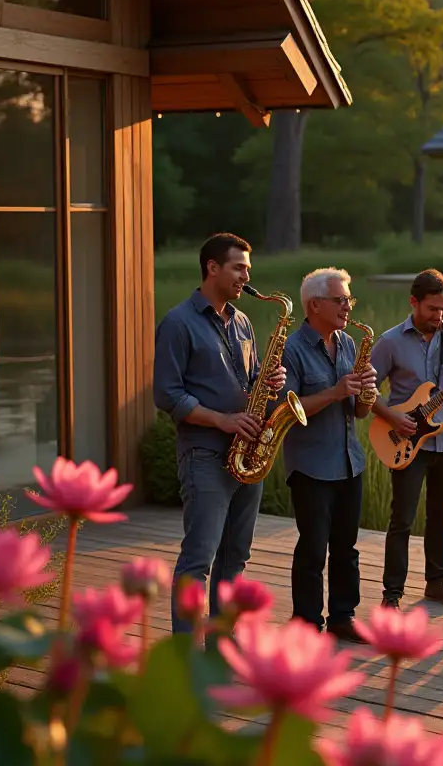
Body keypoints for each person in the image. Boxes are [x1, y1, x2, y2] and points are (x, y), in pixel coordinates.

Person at [153, 232, 286, 632]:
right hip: (206, 454)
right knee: (198, 560)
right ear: (212, 267)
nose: (246, 276)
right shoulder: (178, 323)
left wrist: (268, 379)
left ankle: (223, 651)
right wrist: (222, 419)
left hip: (247, 453)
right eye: (239, 268)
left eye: (248, 268)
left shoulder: (242, 320)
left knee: (236, 559)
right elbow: (167, 394)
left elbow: (247, 379)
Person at [370, 269, 443, 609]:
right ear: (414, 303)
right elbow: (365, 390)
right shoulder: (390, 341)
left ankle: (437, 581)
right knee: (401, 519)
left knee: (440, 517)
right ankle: (392, 595)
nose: (439, 316)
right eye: (432, 309)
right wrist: (392, 417)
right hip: (405, 441)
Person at [276, 267, 377, 641]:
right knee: (313, 549)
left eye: (349, 299)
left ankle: (342, 617)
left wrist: (365, 393)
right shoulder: (292, 349)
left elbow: (360, 411)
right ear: (314, 304)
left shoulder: (349, 344)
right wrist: (335, 392)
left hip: (350, 461)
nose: (348, 307)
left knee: (346, 548)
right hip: (312, 466)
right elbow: (287, 409)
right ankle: (305, 622)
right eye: (341, 300)